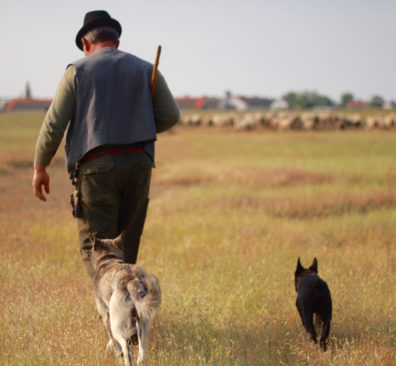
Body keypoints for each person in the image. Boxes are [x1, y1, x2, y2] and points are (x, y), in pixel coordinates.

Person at [32, 10, 180, 280]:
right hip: (139, 165)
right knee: (126, 249)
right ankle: (130, 311)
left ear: (86, 45)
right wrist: (137, 126)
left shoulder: (77, 71)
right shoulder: (147, 68)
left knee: (101, 254)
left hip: (96, 169)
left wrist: (40, 166)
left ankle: (116, 318)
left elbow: (53, 125)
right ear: (116, 43)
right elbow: (171, 115)